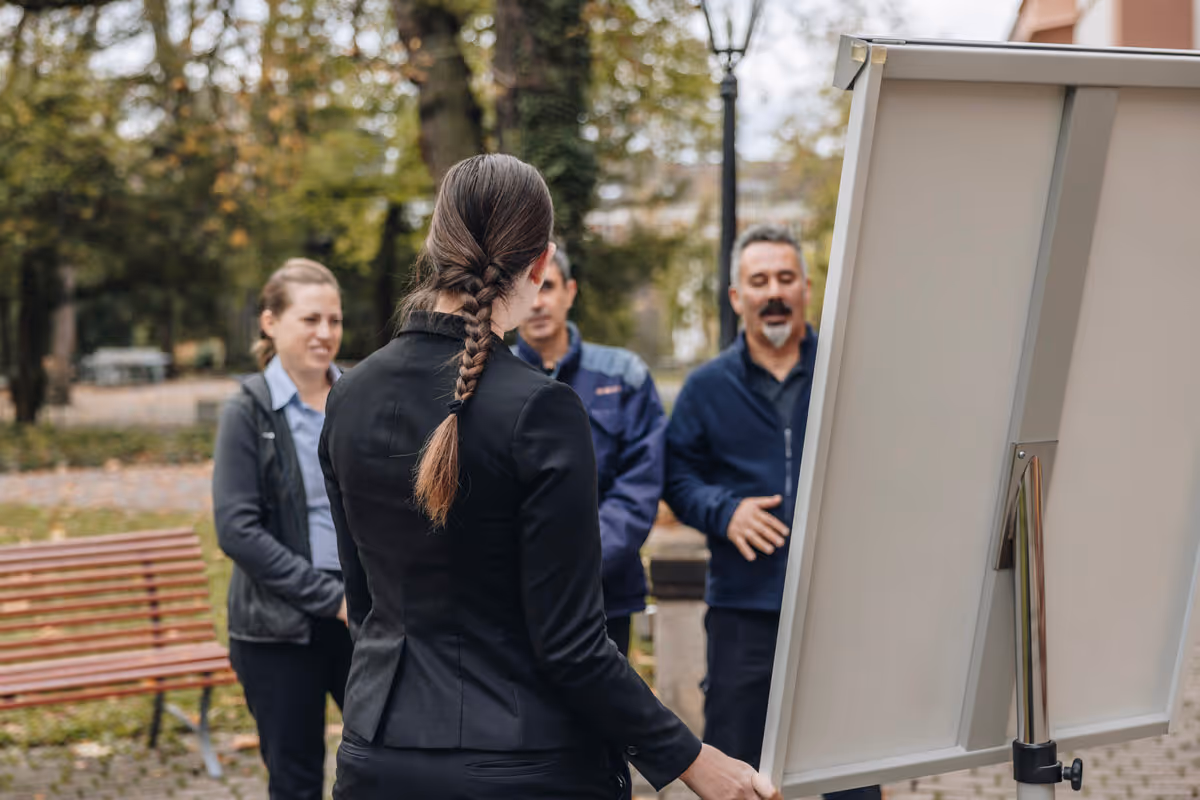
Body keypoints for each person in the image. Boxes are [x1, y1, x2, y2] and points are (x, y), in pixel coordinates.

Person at [319, 154, 778, 800]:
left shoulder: (349, 395)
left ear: (435, 249)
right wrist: (693, 759)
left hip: (378, 758)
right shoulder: (542, 408)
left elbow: (365, 605)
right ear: (541, 265)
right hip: (522, 764)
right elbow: (570, 644)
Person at [664, 224, 881, 800]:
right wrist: (723, 510)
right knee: (738, 773)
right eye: (758, 281)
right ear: (737, 297)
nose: (774, 292)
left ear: (807, 287)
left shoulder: (851, 374)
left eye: (785, 278)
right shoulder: (705, 388)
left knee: (851, 772)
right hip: (742, 610)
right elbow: (677, 476)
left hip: (840, 607)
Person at [212, 258, 352, 800]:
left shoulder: (357, 396)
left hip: (362, 615)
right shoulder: (247, 410)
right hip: (278, 630)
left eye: (335, 320)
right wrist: (329, 598)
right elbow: (237, 529)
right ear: (270, 322)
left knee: (393, 760)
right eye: (310, 319)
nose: (325, 333)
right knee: (295, 780)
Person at [514, 247, 666, 655]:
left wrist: (577, 562)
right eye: (527, 290)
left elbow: (641, 485)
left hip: (606, 597)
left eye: (547, 286)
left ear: (570, 291)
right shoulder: (490, 379)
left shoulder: (624, 375)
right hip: (517, 603)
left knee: (602, 717)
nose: (539, 302)